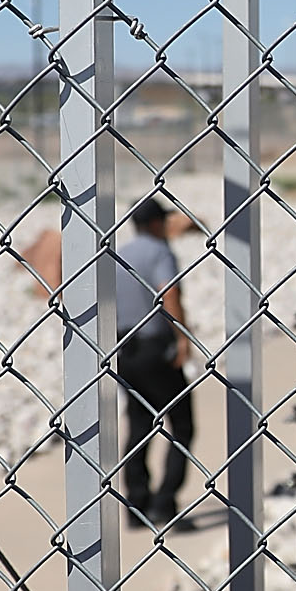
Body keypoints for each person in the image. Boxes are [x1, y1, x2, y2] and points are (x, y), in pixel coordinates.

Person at [114, 194, 195, 528]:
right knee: (183, 425)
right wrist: (181, 336)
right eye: (163, 219)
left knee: (138, 425)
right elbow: (169, 292)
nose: (167, 225)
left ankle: (136, 503)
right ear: (152, 223)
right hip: (154, 345)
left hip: (124, 348)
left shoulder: (118, 254)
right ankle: (164, 503)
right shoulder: (160, 252)